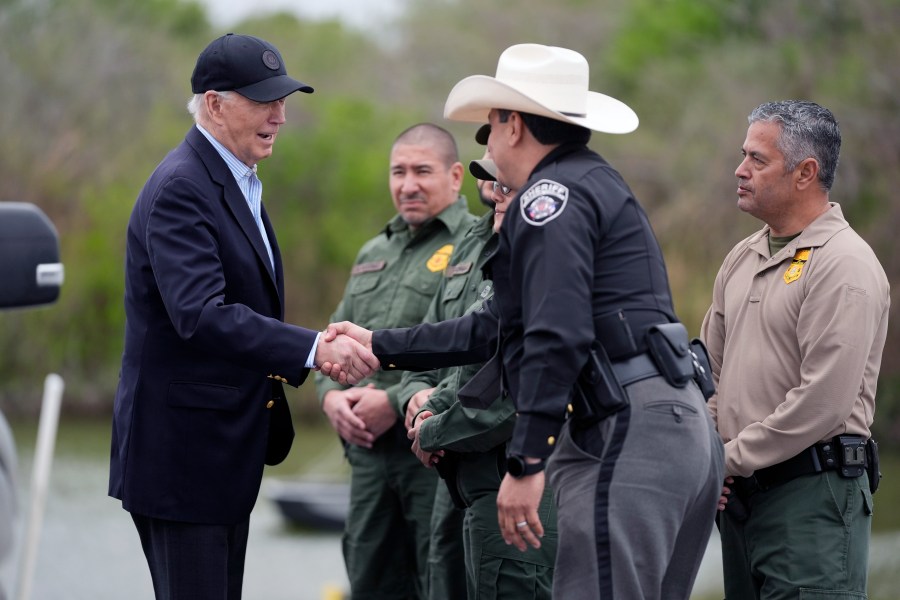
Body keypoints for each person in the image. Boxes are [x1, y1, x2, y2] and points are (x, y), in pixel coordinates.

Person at [324, 43, 724, 600]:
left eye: (491, 124)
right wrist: (380, 344)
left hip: (627, 428)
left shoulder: (548, 198)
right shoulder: (590, 182)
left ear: (514, 124)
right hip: (671, 424)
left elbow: (554, 336)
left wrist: (527, 461)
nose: (488, 140)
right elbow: (492, 328)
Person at [108, 33, 378, 600]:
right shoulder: (183, 187)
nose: (279, 116)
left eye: (283, 101)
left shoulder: (236, 179)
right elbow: (201, 315)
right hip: (183, 463)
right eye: (263, 101)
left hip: (220, 459)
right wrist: (314, 349)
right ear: (214, 103)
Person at [701, 100, 890, 599]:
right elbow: (708, 376)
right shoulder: (742, 257)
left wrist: (725, 459)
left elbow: (821, 404)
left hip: (812, 503)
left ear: (806, 172)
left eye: (757, 160)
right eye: (744, 156)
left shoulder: (845, 265)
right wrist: (708, 452)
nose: (740, 171)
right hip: (740, 501)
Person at [316, 123, 477, 599]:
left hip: (432, 456)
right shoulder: (373, 251)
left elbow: (477, 346)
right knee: (369, 579)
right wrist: (330, 400)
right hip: (367, 460)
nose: (408, 184)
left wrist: (392, 400)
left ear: (454, 176)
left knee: (441, 580)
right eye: (398, 172)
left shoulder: (475, 245)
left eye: (422, 171)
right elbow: (333, 333)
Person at [401, 137, 558, 599]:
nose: (494, 188)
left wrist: (432, 431)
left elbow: (519, 387)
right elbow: (448, 347)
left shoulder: (551, 261)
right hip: (465, 476)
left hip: (520, 478)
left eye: (506, 184)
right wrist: (420, 406)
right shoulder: (484, 250)